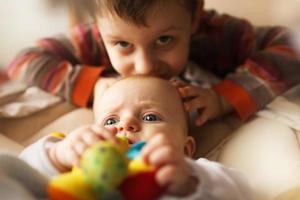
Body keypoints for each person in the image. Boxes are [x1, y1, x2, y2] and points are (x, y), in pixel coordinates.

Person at [6, 0, 300, 198]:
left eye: (164, 40)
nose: (144, 65)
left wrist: (226, 96)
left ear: (195, 15)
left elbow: (291, 48)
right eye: (123, 45)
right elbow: (24, 61)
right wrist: (90, 84)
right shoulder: (98, 33)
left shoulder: (216, 35)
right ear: (99, 29)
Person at [19, 76, 254, 200]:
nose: (125, 124)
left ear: (186, 148)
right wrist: (57, 156)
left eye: (151, 117)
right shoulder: (75, 160)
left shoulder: (190, 172)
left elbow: (241, 191)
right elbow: (22, 172)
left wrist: (189, 183)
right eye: (110, 121)